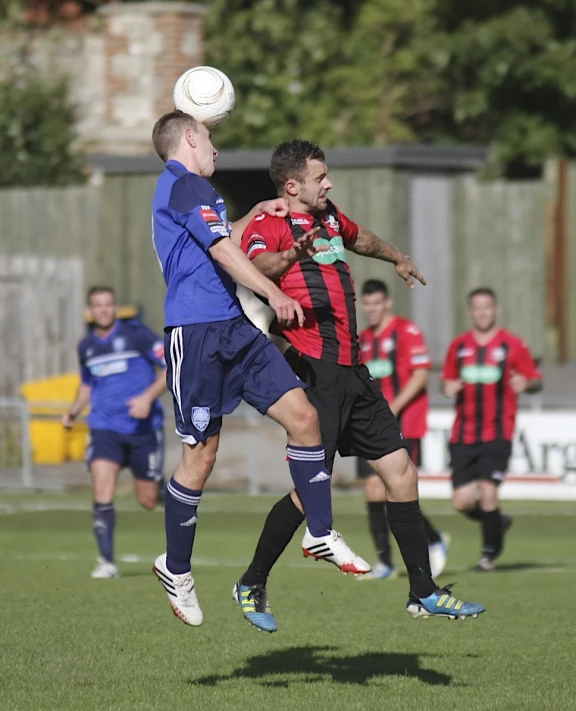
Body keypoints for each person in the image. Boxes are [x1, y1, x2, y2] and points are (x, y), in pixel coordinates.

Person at [238, 139, 485, 631]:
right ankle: (251, 582)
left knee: (402, 474)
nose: (328, 183)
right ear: (292, 186)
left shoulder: (330, 218)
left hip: (355, 371)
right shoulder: (269, 225)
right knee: (310, 492)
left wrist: (396, 256)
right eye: (319, 177)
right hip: (315, 373)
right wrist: (293, 253)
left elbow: (360, 238)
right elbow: (256, 267)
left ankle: (424, 592)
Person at [150, 112, 366, 629]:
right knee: (201, 458)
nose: (215, 148)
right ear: (187, 139)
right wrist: (272, 291)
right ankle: (175, 567)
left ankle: (318, 530)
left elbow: (217, 239)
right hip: (196, 335)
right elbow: (222, 251)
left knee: (305, 418)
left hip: (235, 329)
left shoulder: (200, 192)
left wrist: (250, 216)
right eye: (208, 138)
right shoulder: (183, 185)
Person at [63, 286, 167, 579]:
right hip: (104, 427)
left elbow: (170, 367)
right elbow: (87, 385)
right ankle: (107, 562)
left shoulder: (137, 335)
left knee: (147, 501)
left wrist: (147, 398)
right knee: (101, 489)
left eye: (108, 304)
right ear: (90, 311)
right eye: (98, 305)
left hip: (143, 429)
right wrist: (74, 410)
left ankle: (165, 490)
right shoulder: (86, 347)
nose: (104, 310)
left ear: (115, 307)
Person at [442, 287, 542, 571]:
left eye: (487, 307)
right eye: (477, 308)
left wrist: (527, 384)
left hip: (498, 432)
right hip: (463, 433)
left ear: (495, 310)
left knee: (488, 491)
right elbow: (447, 380)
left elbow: (536, 380)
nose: (482, 312)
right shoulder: (459, 346)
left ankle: (487, 556)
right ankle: (497, 522)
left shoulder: (513, 345)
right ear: (470, 312)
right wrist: (447, 387)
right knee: (462, 502)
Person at [356, 279, 449, 580]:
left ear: (387, 303)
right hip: (370, 426)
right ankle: (385, 562)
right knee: (372, 490)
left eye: (376, 303)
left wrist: (393, 406)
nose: (371, 309)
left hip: (404, 423)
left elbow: (420, 375)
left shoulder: (407, 332)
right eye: (366, 304)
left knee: (398, 490)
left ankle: (433, 539)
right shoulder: (363, 340)